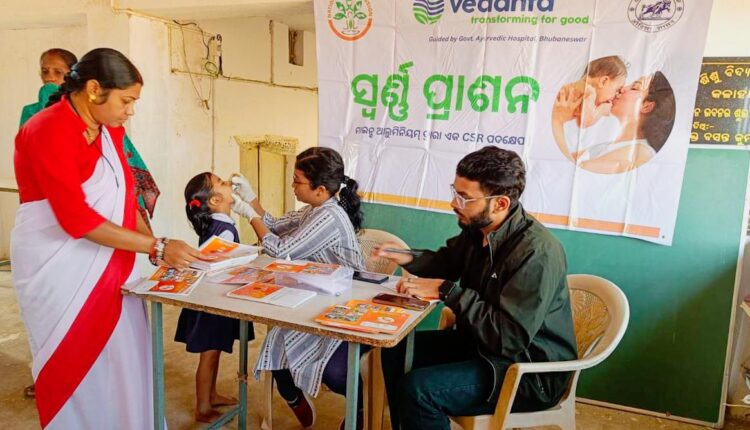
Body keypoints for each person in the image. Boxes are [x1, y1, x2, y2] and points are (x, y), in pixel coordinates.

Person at [12, 47, 206, 429]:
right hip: (59, 268)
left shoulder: (109, 130)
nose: (130, 111)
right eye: (126, 100)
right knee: (78, 365)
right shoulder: (47, 129)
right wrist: (157, 247)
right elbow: (77, 221)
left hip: (112, 260)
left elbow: (124, 195)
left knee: (125, 357)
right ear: (94, 89)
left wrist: (156, 247)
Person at [375, 146, 578, 430]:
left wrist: (448, 291)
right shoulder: (479, 229)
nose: (454, 203)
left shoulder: (536, 253)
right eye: (455, 192)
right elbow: (448, 262)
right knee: (395, 351)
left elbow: (509, 339)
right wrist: (408, 257)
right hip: (481, 346)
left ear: (500, 204)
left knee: (419, 390)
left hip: (526, 370)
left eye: (465, 198)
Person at [231, 147, 367, 429]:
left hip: (346, 307)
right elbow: (274, 224)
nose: (292, 186)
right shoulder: (314, 209)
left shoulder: (329, 216)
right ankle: (294, 398)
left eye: (297, 181)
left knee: (335, 374)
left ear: (320, 189)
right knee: (275, 347)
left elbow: (282, 250)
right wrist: (251, 198)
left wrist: (249, 216)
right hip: (318, 297)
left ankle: (360, 408)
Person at [174, 172, 254, 423]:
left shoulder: (219, 223)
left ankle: (211, 395)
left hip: (215, 298)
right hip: (211, 302)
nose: (229, 183)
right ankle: (203, 407)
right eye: (221, 182)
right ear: (215, 201)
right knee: (209, 356)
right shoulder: (224, 230)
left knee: (215, 351)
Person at [553, 71, 676, 174]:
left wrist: (558, 119)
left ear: (647, 106)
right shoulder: (605, 147)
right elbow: (554, 162)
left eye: (634, 88)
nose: (622, 89)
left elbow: (571, 173)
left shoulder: (642, 153)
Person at [555, 55, 628, 159]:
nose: (616, 95)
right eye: (617, 89)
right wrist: (602, 110)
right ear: (603, 81)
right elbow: (585, 121)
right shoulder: (589, 91)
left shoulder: (575, 87)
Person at [20, 49, 78, 127]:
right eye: (45, 72)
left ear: (71, 75)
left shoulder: (81, 109)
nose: (49, 78)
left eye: (58, 72)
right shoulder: (29, 111)